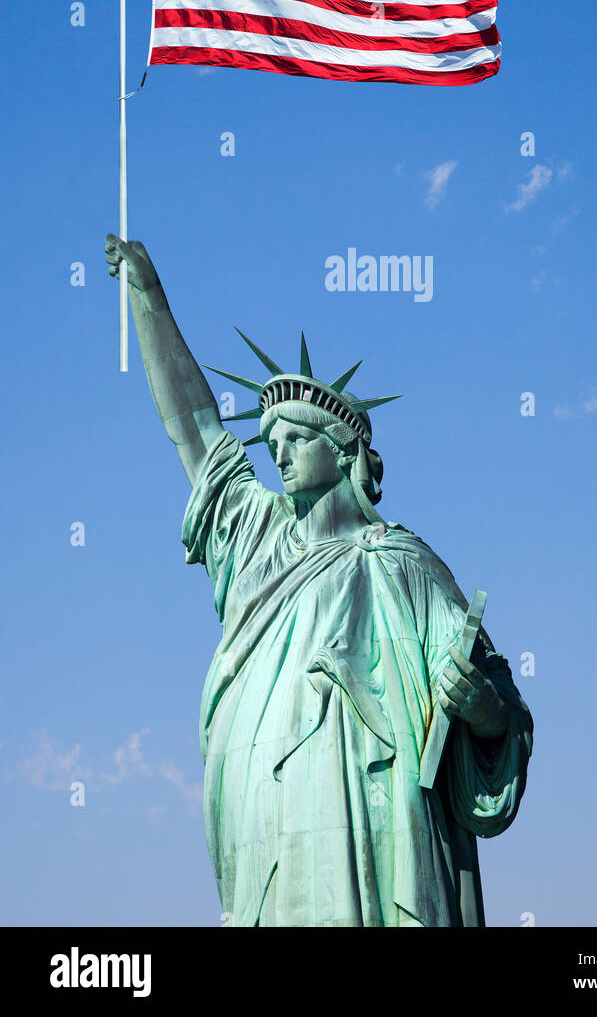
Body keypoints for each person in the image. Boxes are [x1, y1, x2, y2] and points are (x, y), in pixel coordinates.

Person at [105, 233, 533, 927]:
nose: (278, 453)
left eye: (294, 438)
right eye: (270, 443)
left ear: (342, 451)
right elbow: (195, 430)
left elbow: (503, 705)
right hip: (264, 833)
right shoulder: (256, 538)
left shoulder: (403, 564)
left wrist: (482, 707)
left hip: (374, 834)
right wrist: (149, 299)